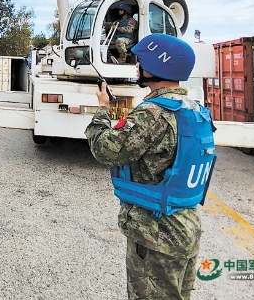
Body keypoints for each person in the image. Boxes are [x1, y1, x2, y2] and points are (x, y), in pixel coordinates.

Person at [85, 34, 215, 300]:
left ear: (157, 66)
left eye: (141, 60)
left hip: (156, 233)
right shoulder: (193, 109)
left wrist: (102, 110)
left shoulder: (152, 114)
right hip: (185, 225)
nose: (137, 66)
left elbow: (106, 150)